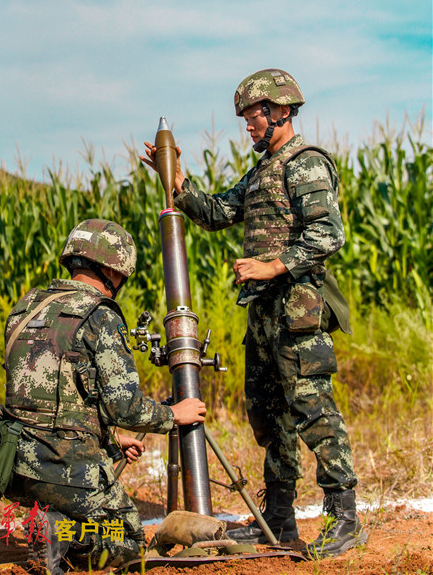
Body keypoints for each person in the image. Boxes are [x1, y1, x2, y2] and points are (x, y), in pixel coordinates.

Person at [141, 69, 366, 559]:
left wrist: (270, 265)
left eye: (253, 117)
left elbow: (327, 235)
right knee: (270, 418)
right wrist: (177, 182)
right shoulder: (264, 170)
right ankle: (280, 521)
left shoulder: (304, 164)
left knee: (313, 412)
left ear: (281, 111)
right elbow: (219, 211)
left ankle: (345, 518)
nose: (247, 127)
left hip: (298, 314)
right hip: (264, 317)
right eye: (243, 119)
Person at [3, 218, 206, 571]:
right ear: (113, 271)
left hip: (14, 466)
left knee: (76, 503)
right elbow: (125, 406)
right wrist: (176, 414)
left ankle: (55, 527)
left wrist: (109, 439)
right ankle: (60, 534)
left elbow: (49, 397)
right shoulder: (100, 316)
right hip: (64, 467)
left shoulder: (27, 308)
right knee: (129, 542)